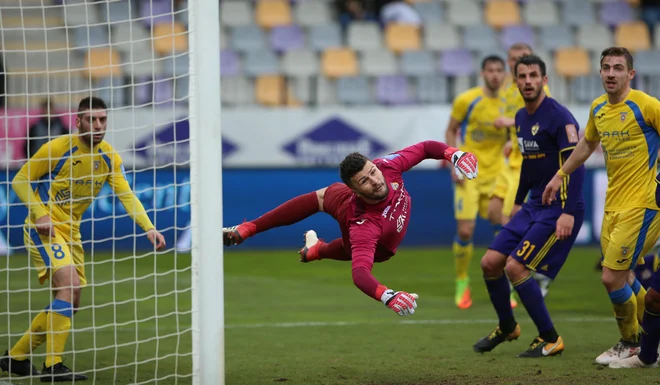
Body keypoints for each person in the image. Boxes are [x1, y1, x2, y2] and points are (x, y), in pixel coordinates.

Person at [0, 97, 166, 381]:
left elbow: (126, 194)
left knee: (71, 301)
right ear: (78, 122)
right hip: (43, 231)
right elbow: (20, 179)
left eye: (103, 120)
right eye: (92, 120)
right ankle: (53, 366)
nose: (98, 125)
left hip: (71, 234)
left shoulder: (109, 157)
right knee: (69, 285)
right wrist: (40, 214)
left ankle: (16, 357)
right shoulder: (58, 147)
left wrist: (148, 227)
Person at [223, 141, 478, 315]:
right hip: (376, 242)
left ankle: (290, 242)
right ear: (354, 190)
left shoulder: (388, 166)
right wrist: (387, 296)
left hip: (352, 208)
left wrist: (454, 154)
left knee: (323, 196)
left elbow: (424, 148)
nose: (375, 181)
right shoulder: (363, 225)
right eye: (364, 181)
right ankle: (254, 229)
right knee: (348, 243)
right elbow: (360, 274)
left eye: (373, 172)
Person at [543, 47, 660, 365]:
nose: (611, 73)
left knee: (611, 278)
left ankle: (631, 342)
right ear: (599, 72)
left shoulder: (647, 106)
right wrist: (559, 175)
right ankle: (651, 340)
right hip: (612, 207)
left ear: (630, 74)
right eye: (606, 67)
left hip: (643, 206)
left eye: (618, 68)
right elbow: (587, 144)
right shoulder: (598, 108)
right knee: (627, 279)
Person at [473, 55, 585, 358]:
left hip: (557, 205)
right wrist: (519, 202)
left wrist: (568, 211)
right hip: (533, 203)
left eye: (534, 75)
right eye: (522, 76)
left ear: (544, 80)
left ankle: (551, 338)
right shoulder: (521, 117)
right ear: (516, 81)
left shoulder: (560, 118)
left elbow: (577, 165)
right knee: (490, 263)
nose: (528, 81)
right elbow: (528, 164)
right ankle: (508, 327)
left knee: (515, 266)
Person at [445, 55, 508, 309]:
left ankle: (506, 283)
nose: (494, 75)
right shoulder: (467, 100)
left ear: (504, 74)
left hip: (497, 175)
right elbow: (451, 130)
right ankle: (462, 280)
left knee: (503, 228)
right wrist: (454, 161)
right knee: (465, 231)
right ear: (483, 74)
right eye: (490, 70)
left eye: (498, 70)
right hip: (468, 172)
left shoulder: (510, 103)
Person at [492, 43, 554, 298]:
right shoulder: (508, 89)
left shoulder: (537, 89)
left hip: (527, 163)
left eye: (524, 58)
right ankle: (522, 265)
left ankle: (529, 269)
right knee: (494, 211)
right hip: (512, 160)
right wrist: (511, 139)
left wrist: (510, 122)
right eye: (515, 60)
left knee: (512, 218)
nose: (520, 63)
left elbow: (540, 119)